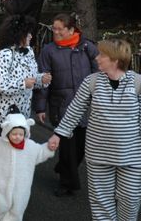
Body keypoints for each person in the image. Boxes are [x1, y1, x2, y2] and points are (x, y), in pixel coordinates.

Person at [48, 39, 141, 221]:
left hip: (132, 155)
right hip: (98, 155)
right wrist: (58, 134)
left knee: (131, 198)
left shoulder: (140, 83)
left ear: (115, 60)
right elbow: (75, 110)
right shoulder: (91, 81)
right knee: (101, 201)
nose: (97, 58)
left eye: (102, 55)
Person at [34, 13, 98, 196]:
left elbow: (99, 73)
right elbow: (43, 81)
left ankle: (63, 168)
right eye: (54, 28)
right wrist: (40, 107)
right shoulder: (48, 51)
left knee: (81, 147)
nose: (55, 32)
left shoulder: (87, 47)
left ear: (71, 30)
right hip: (61, 105)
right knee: (68, 146)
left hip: (86, 107)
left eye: (59, 29)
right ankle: (67, 183)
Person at [0, 110, 54, 221]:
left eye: (21, 134)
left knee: (16, 211)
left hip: (21, 187)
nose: (17, 137)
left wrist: (49, 148)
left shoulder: (30, 147)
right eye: (14, 134)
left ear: (25, 133)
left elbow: (41, 152)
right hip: (1, 184)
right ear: (7, 132)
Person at [0, 15, 51, 136]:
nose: (31, 36)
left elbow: (31, 78)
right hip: (5, 114)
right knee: (8, 151)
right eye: (28, 33)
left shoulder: (29, 51)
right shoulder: (4, 54)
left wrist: (41, 79)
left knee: (20, 150)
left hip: (23, 112)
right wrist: (23, 84)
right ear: (19, 35)